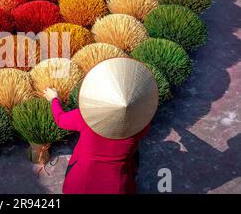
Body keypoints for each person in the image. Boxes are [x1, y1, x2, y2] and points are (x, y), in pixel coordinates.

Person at [43, 58, 159, 194]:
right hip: (119, 186)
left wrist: (54, 99)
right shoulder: (141, 122)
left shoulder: (85, 116)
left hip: (82, 184)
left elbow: (60, 119)